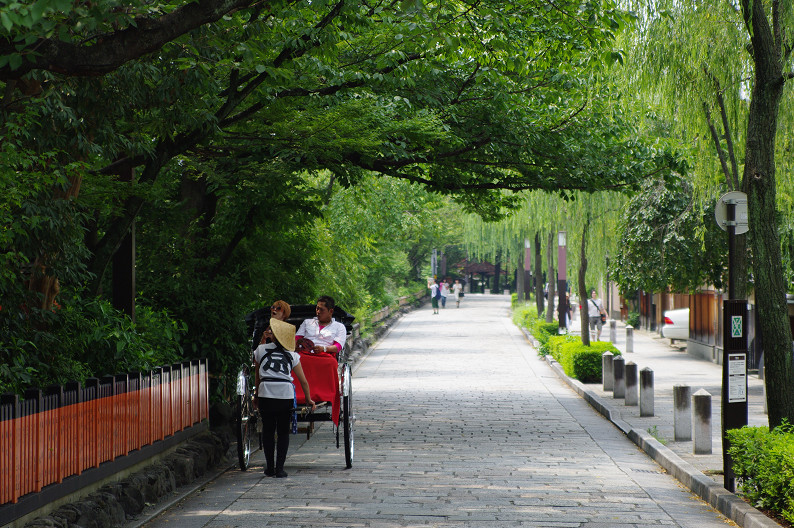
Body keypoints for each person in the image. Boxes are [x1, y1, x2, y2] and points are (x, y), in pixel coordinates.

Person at [254, 318, 314, 478]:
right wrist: (308, 400)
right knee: (282, 432)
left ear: (274, 336)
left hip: (265, 392)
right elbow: (303, 381)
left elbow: (257, 376)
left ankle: (270, 468)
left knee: (267, 431)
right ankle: (280, 469)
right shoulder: (292, 355)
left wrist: (255, 396)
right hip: (285, 395)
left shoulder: (260, 350)